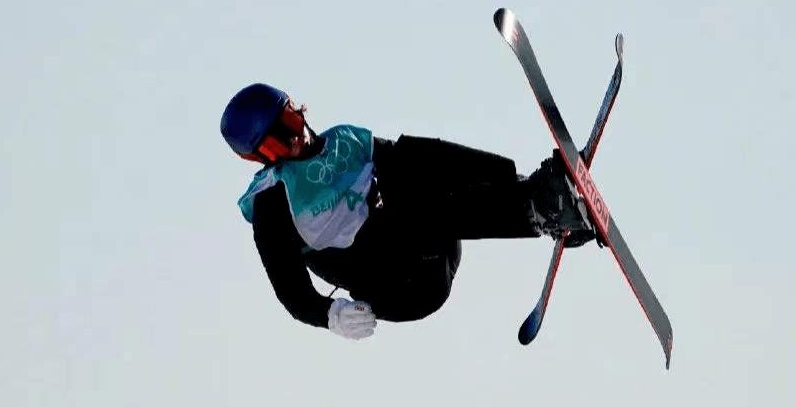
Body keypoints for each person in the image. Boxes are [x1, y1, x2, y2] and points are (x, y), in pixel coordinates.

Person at [221, 83, 594, 341]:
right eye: (275, 145)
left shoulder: (343, 141)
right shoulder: (273, 200)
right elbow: (288, 287)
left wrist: (512, 183)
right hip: (401, 287)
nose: (293, 141)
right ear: (260, 159)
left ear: (296, 109)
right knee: (415, 206)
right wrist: (329, 315)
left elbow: (430, 164)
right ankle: (541, 212)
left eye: (288, 124)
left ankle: (536, 195)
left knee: (409, 157)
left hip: (434, 248)